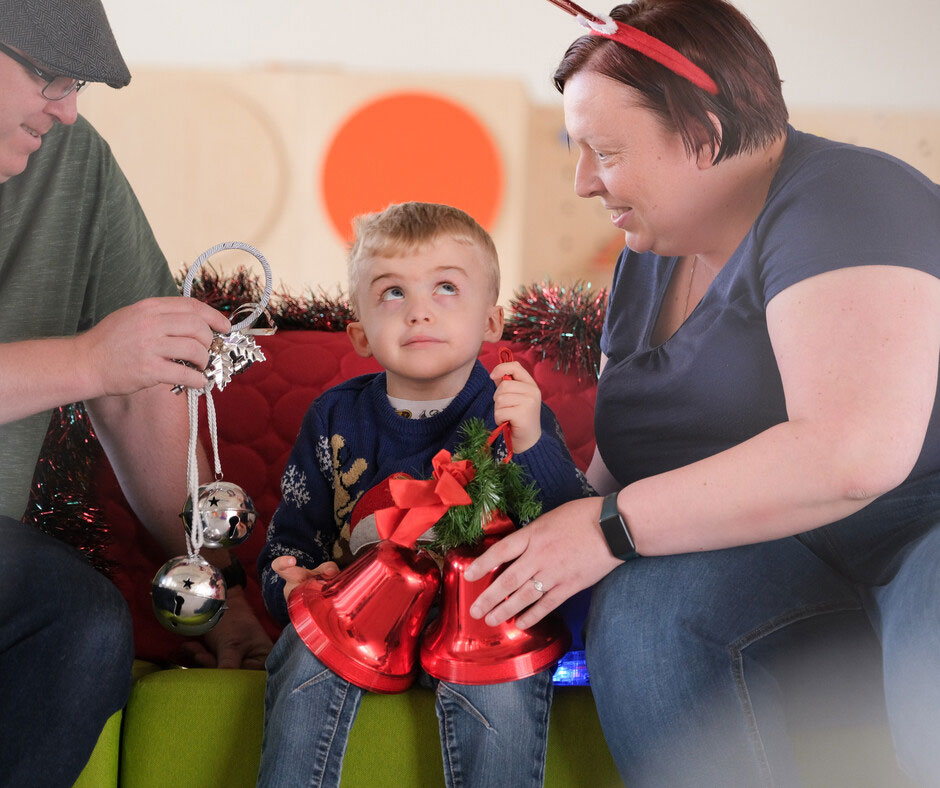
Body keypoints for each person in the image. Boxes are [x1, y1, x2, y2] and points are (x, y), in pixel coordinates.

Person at [464, 1, 940, 785]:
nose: (584, 182)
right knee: (647, 617)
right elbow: (617, 475)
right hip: (778, 551)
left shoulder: (850, 196)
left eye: (605, 152)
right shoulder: (650, 254)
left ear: (704, 137)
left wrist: (609, 530)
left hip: (917, 527)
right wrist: (515, 540)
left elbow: (854, 453)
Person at [0, 1, 272, 784]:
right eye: (49, 76)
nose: (67, 107)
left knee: (78, 620)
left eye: (74, 82)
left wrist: (222, 600)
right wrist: (88, 361)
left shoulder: (72, 164)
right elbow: (104, 368)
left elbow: (136, 389)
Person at [256, 201, 588, 787]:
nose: (419, 313)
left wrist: (534, 439)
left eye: (445, 289)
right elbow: (291, 535)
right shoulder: (334, 417)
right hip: (358, 621)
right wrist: (291, 581)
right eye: (392, 294)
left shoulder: (511, 409)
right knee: (300, 658)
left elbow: (568, 523)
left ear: (491, 322)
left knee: (504, 691)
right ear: (358, 331)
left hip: (482, 625)